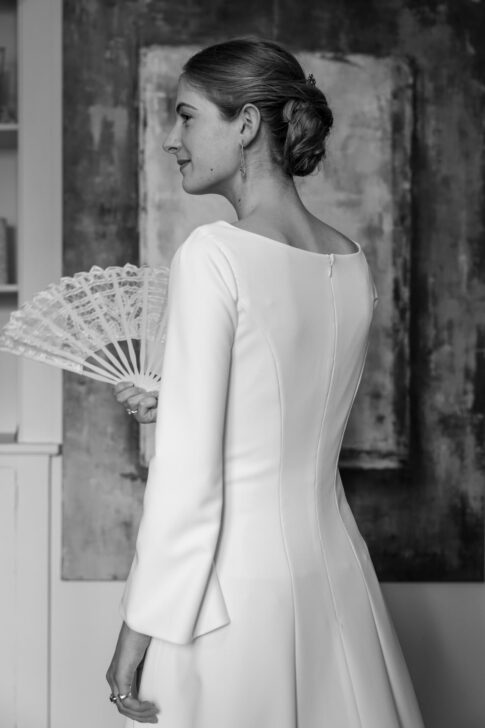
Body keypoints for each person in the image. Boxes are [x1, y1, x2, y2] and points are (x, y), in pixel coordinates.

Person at [106, 37, 426, 728]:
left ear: (247, 123)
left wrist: (138, 625)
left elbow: (189, 478)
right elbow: (293, 406)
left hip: (236, 595)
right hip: (336, 577)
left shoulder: (213, 255)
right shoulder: (351, 261)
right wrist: (174, 399)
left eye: (186, 116)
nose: (171, 140)